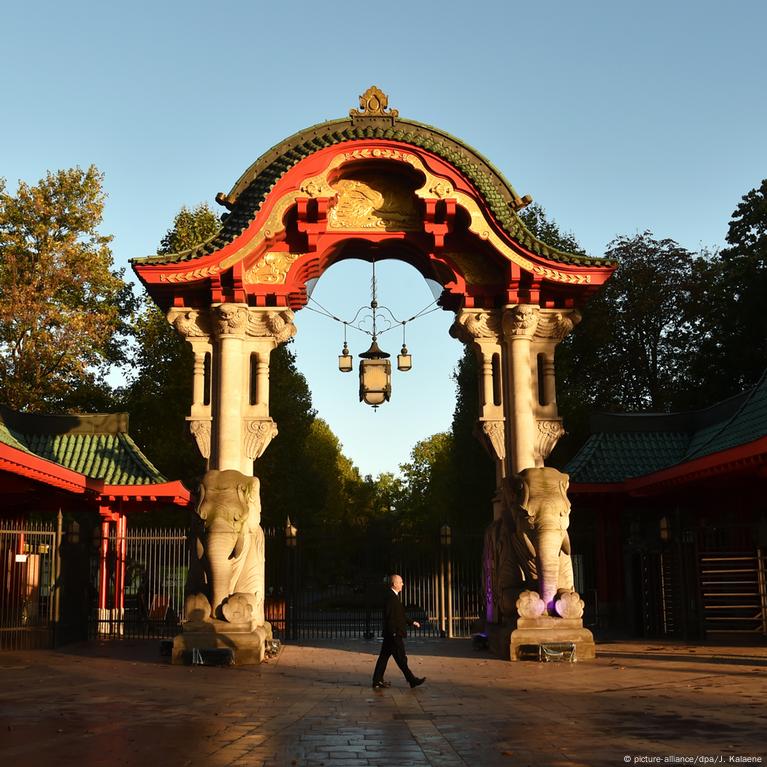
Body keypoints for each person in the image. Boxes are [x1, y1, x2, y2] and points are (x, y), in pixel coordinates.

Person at [371, 574, 426, 689]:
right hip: (394, 634)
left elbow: (400, 615)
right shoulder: (391, 598)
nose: (402, 584)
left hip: (391, 634)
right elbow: (390, 617)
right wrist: (394, 633)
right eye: (401, 582)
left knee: (384, 657)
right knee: (401, 658)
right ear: (395, 584)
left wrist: (412, 622)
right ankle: (412, 680)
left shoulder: (392, 596)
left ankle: (377, 680)